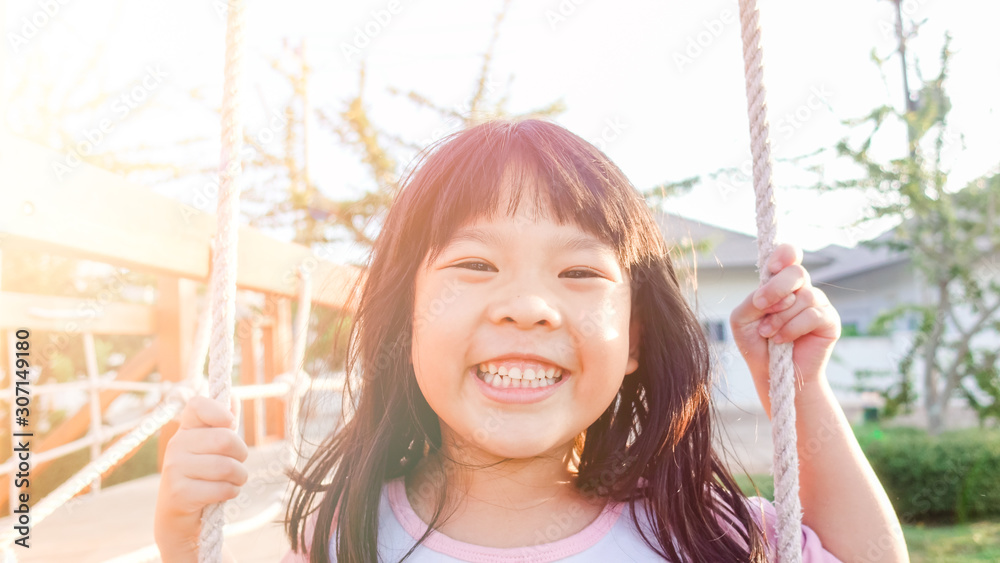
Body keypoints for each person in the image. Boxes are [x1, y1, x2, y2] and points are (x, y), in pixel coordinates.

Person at [154, 119, 908, 562]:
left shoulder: (694, 531)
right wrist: (183, 534)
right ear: (403, 318)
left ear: (637, 338)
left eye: (579, 270)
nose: (527, 307)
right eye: (476, 264)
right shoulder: (349, 532)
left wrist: (799, 387)